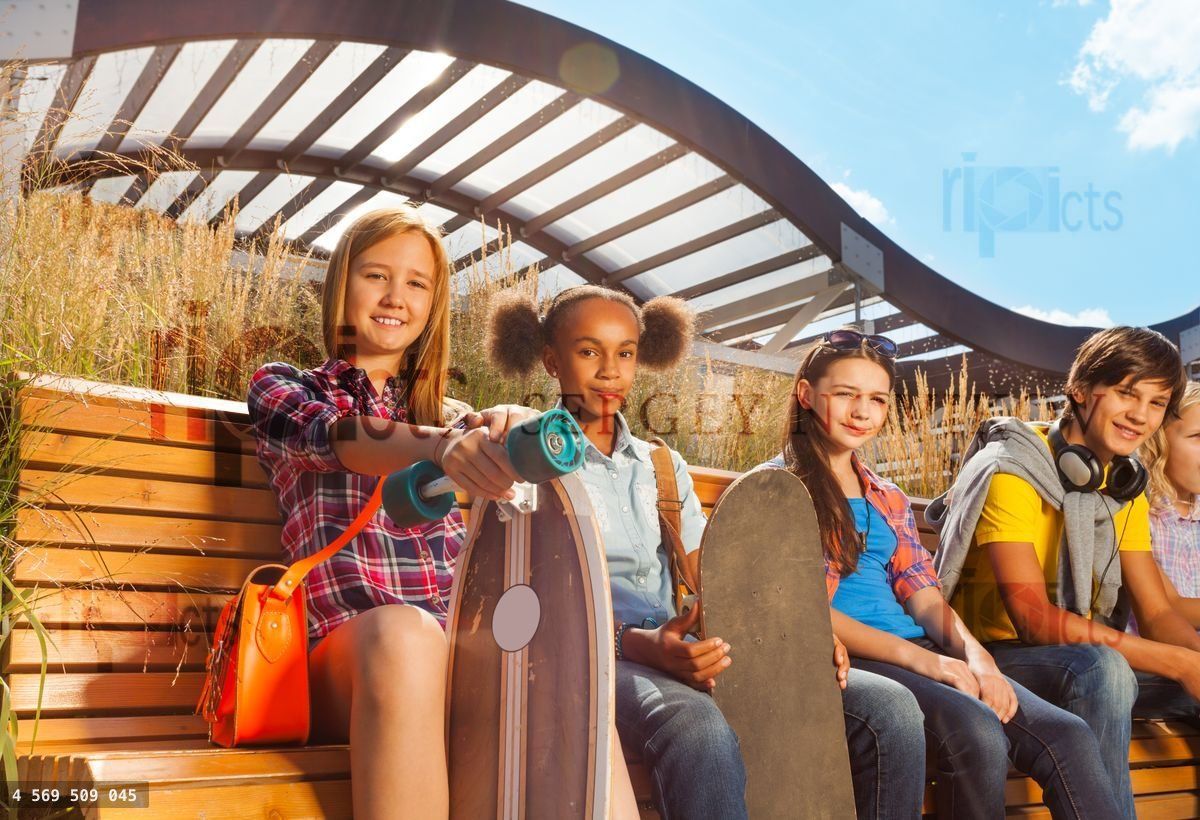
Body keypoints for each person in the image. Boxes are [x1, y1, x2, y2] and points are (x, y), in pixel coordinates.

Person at [247, 208, 638, 819]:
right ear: (342, 283)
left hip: (454, 653)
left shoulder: (458, 414)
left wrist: (512, 423)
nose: (395, 297)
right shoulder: (285, 388)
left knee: (567, 673)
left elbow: (520, 484)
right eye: (376, 275)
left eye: (417, 283)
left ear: (434, 303)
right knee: (406, 634)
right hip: (343, 656)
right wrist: (436, 446)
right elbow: (337, 437)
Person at [763, 327, 1120, 819]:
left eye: (877, 399)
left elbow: (927, 599)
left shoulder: (884, 495)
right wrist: (925, 663)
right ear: (806, 395)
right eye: (845, 395)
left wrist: (978, 660)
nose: (862, 411)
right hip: (856, 662)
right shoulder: (776, 489)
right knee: (975, 729)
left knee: (1067, 735)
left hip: (920, 649)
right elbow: (803, 610)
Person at [487, 285, 751, 819]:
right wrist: (637, 644)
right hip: (584, 659)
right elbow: (526, 606)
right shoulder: (528, 459)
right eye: (589, 352)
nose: (611, 371)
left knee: (834, 702)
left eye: (625, 353)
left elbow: (709, 575)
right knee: (695, 724)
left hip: (674, 645)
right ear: (550, 361)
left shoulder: (660, 464)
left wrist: (803, 640)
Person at [931, 326, 1197, 818]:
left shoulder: (1123, 484)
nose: (1141, 414)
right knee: (1104, 669)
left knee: (1113, 669)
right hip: (994, 659)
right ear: (1079, 390)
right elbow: (1033, 618)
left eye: (1157, 403)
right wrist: (1180, 664)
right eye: (1125, 392)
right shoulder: (1012, 468)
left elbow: (1158, 612)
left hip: (1078, 661)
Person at [1139, 381, 1200, 629]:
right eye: (1198, 436)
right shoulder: (1139, 514)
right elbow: (1167, 606)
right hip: (1154, 656)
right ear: (1158, 439)